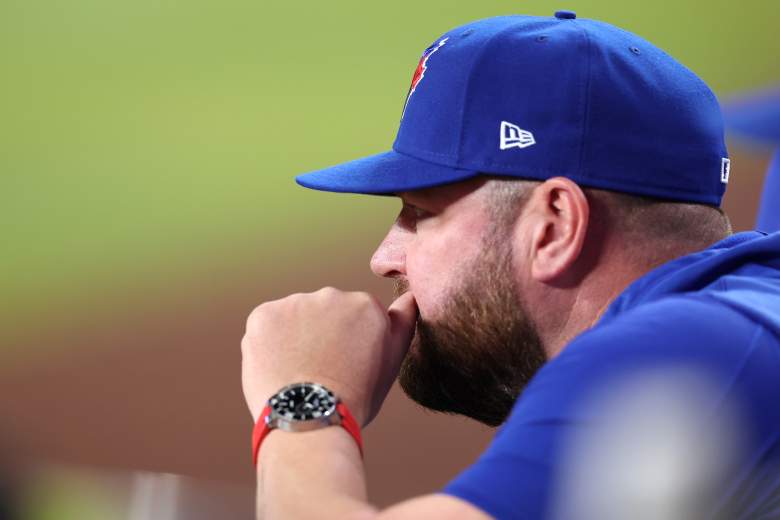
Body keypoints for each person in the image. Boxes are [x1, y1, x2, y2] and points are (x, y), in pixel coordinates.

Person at [240, 12, 780, 519]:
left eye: (420, 213)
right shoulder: (739, 317)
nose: (384, 259)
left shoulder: (672, 357)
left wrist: (306, 398)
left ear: (554, 226)